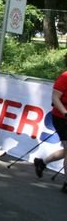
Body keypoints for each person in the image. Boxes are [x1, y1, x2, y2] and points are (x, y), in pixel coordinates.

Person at [34, 53, 67, 192]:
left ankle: (42, 162)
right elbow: (55, 98)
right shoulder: (64, 77)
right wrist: (65, 113)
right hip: (61, 117)